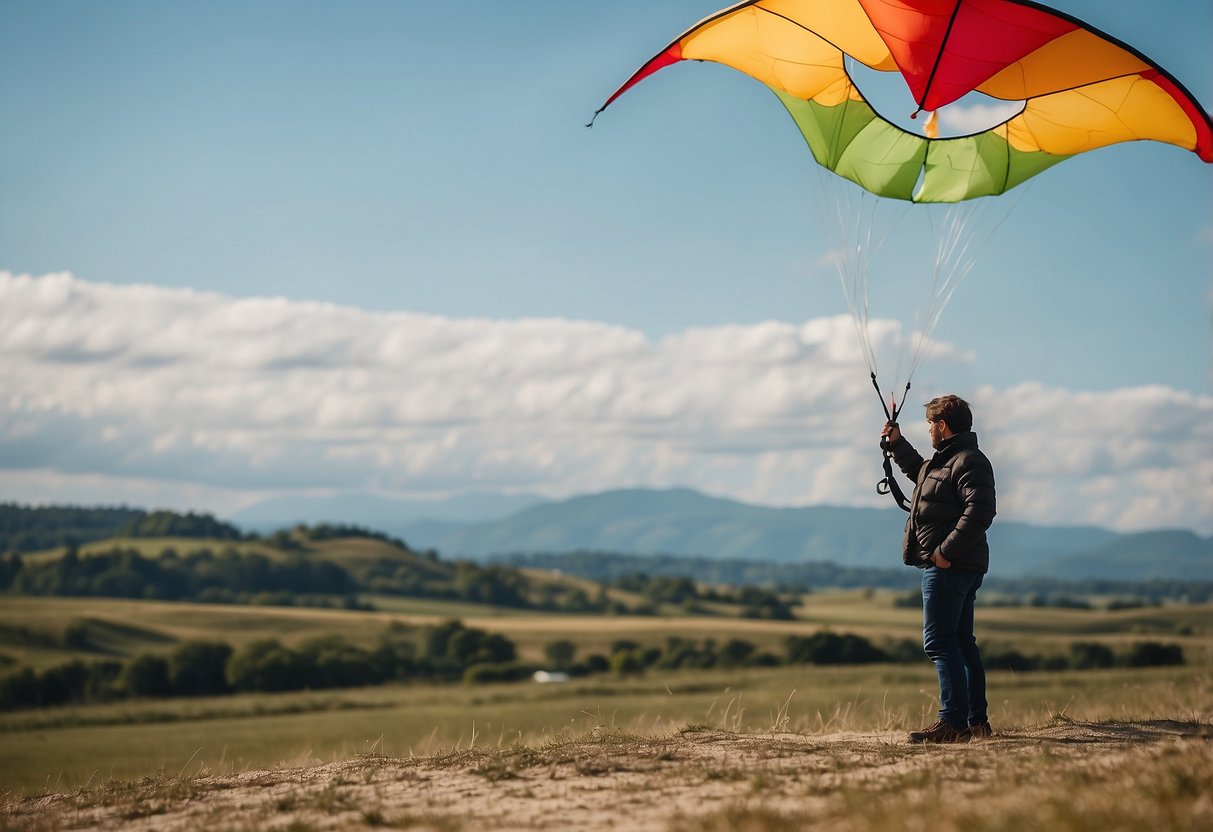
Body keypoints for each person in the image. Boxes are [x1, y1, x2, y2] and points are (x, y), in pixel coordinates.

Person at [881, 394, 996, 744]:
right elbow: (921, 472)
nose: (929, 429)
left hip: (950, 567)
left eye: (930, 424)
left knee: (940, 642)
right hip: (959, 566)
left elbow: (981, 511)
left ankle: (953, 723)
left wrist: (944, 553)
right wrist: (898, 444)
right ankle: (975, 721)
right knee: (961, 642)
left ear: (942, 426)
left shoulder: (968, 461)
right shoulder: (947, 461)